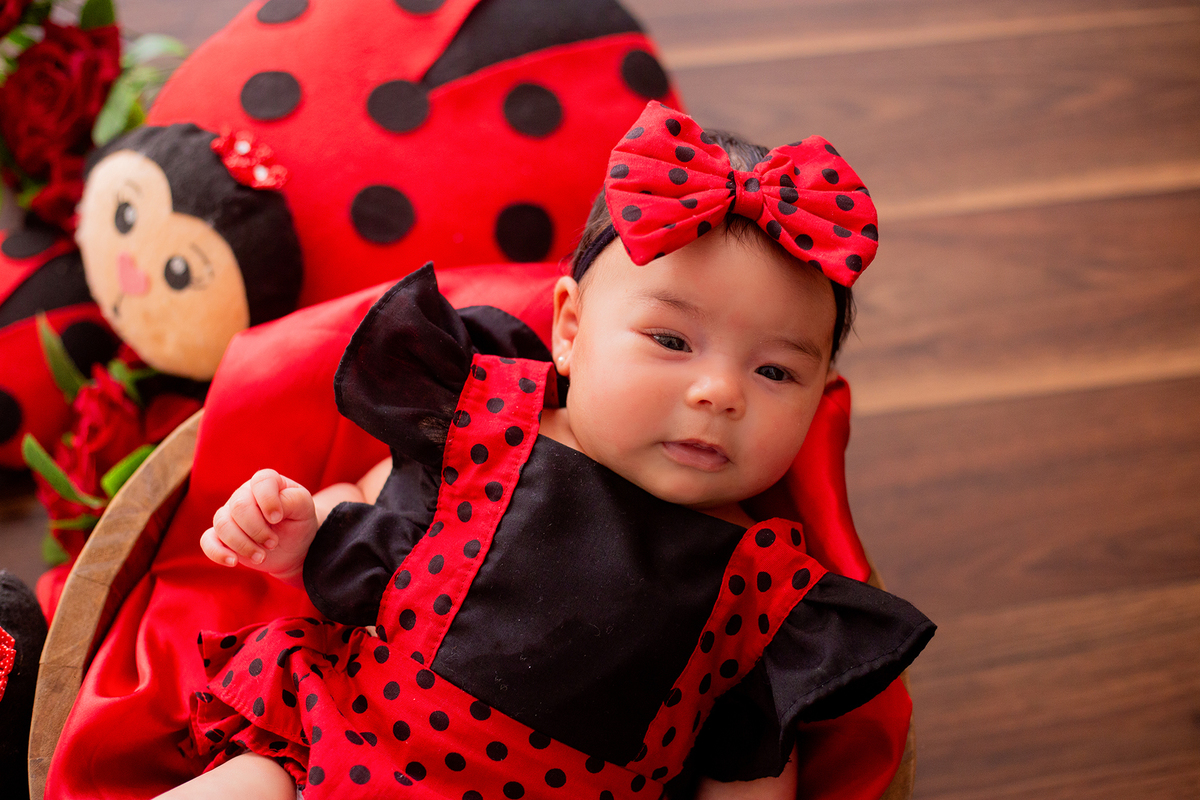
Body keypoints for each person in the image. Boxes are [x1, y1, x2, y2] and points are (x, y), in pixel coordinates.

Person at [161, 102, 934, 800]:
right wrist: (298, 531)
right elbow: (361, 522)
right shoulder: (487, 423)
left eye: (775, 371)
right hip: (346, 746)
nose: (719, 393)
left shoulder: (762, 589)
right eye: (671, 340)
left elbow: (748, 769)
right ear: (569, 332)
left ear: (819, 389)